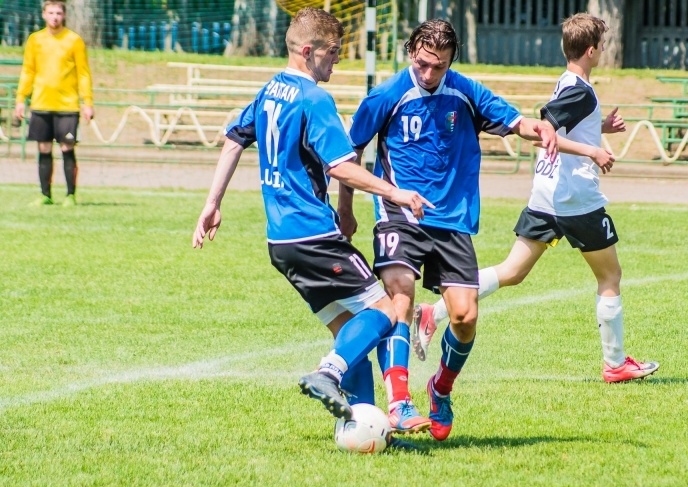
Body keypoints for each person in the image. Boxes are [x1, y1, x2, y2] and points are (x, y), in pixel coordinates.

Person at [192, 8, 432, 424]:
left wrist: (212, 204)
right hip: (313, 233)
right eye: (333, 52)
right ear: (308, 51)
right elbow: (341, 165)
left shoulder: (270, 90)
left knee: (348, 331)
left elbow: (233, 141)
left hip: (280, 243)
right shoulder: (314, 98)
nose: (338, 60)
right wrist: (394, 191)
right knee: (389, 309)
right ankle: (328, 373)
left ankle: (358, 419)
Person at [412, 13, 660, 385]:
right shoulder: (578, 89)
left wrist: (599, 128)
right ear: (591, 51)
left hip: (545, 195)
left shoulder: (568, 82)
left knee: (513, 272)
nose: (604, 51)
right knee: (611, 275)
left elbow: (563, 124)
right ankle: (615, 364)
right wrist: (593, 152)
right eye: (603, 46)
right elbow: (547, 128)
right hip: (575, 198)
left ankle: (433, 312)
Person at [343, 19, 558, 441]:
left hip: (453, 219)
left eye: (437, 67)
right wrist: (346, 209)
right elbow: (351, 153)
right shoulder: (386, 95)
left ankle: (439, 387)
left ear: (450, 62)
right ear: (410, 53)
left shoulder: (465, 92)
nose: (428, 74)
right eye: (422, 64)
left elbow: (516, 123)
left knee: (464, 316)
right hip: (399, 212)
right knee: (399, 296)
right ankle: (399, 403)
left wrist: (542, 127)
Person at [15, 0, 94, 207]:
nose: (55, 17)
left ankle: (70, 195)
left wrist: (87, 102)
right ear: (43, 14)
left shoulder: (74, 40)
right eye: (51, 12)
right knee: (43, 148)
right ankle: (45, 194)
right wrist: (21, 99)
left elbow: (83, 73)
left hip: (67, 105)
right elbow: (28, 71)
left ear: (64, 15)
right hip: (41, 103)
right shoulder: (35, 40)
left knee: (67, 148)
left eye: (58, 13)